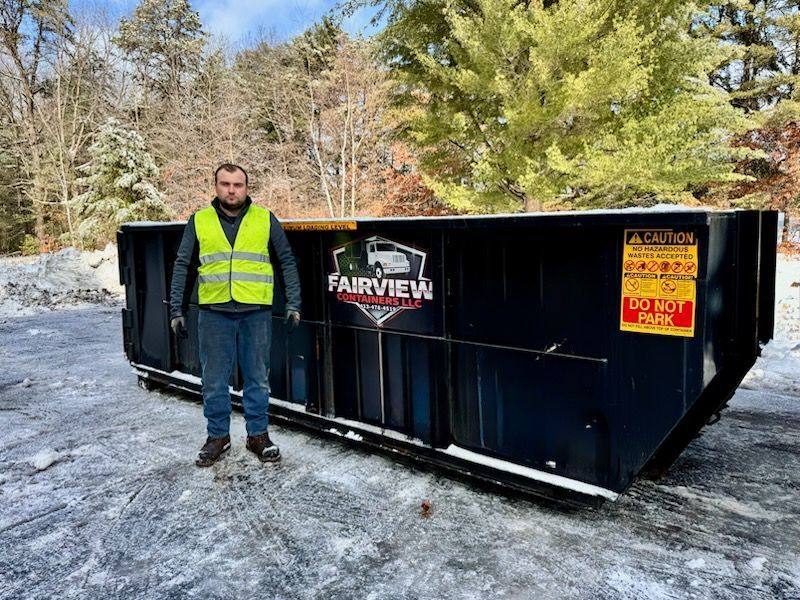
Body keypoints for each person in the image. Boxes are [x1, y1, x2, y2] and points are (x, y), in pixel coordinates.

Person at [169, 163, 301, 467]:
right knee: (214, 381)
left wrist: (293, 304)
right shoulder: (199, 221)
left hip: (255, 314)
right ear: (216, 186)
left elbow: (287, 262)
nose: (232, 190)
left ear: (247, 187)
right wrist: (176, 308)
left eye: (238, 184)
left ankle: (258, 436)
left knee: (257, 378)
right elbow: (182, 265)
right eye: (225, 184)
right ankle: (218, 437)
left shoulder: (265, 219)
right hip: (214, 314)